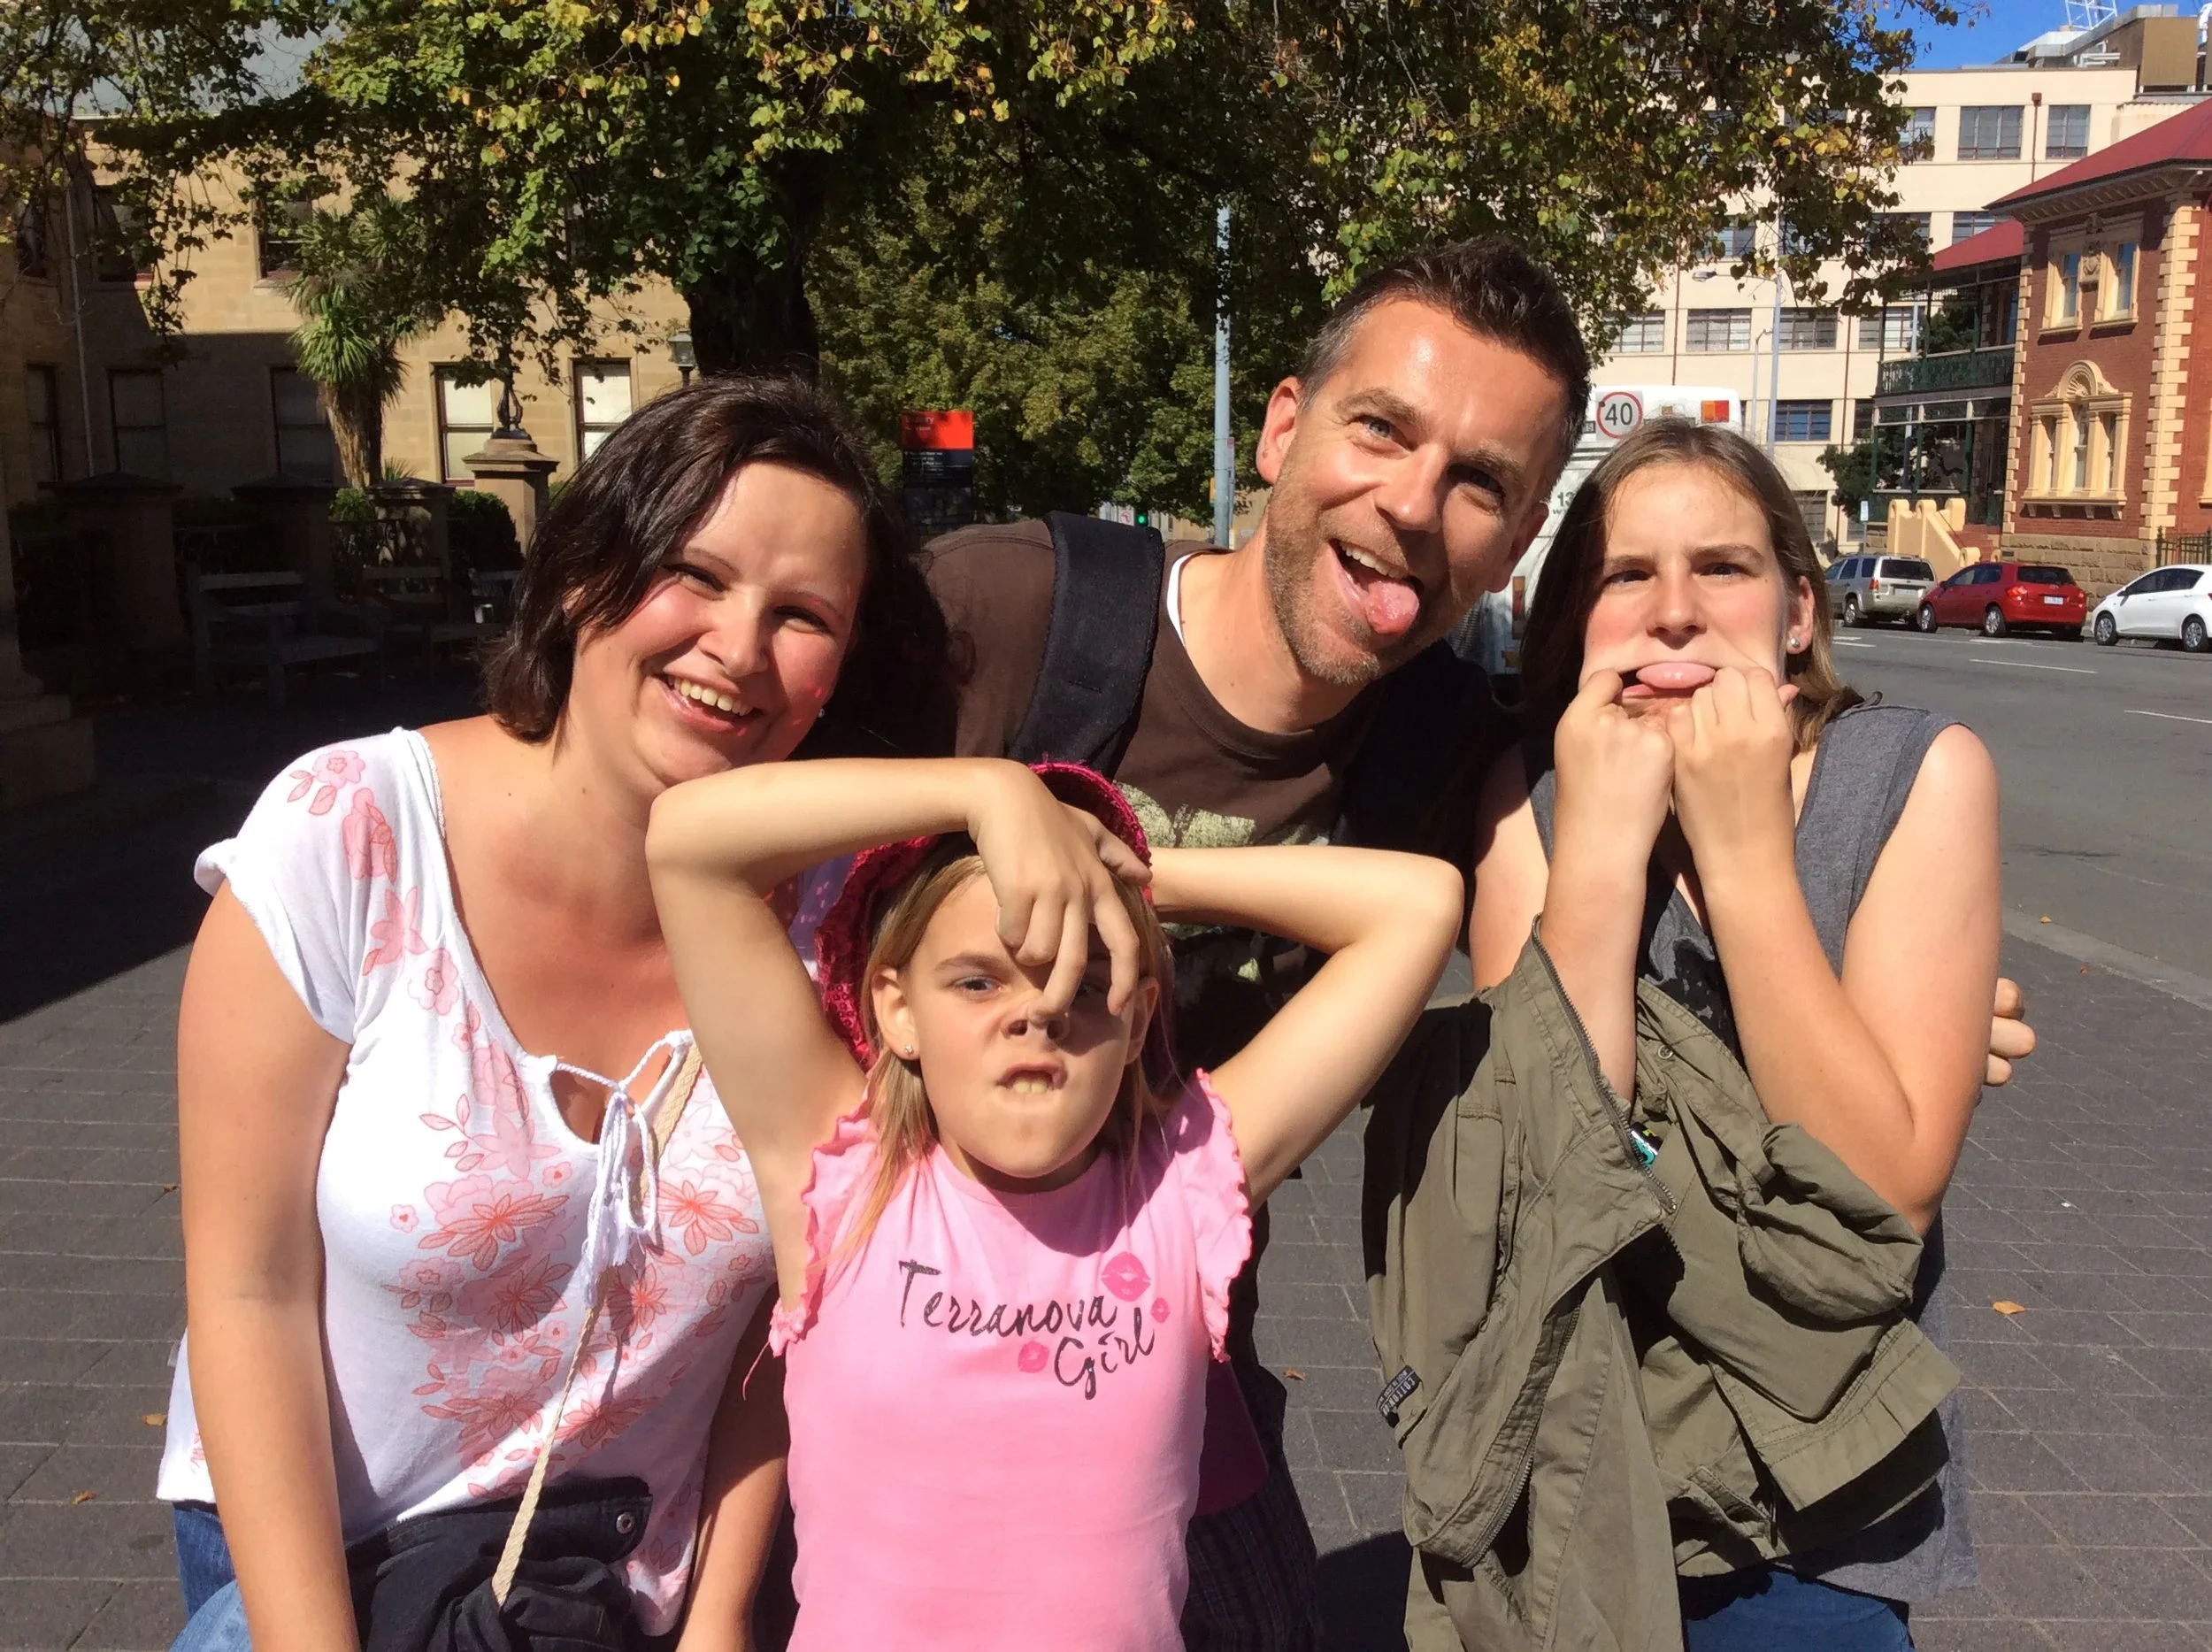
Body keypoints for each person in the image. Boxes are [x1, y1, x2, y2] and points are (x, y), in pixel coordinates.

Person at [922, 235, 2038, 1646]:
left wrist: (1899, 975)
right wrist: (973, 793)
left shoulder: (1455, 748)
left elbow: (1822, 1160)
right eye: (1380, 427)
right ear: (1280, 426)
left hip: (1190, 1387)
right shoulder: (1003, 613)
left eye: (1480, 485)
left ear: (1514, 551)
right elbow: (703, 841)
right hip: (889, 1347)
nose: (1409, 505)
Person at [160, 373, 948, 1651]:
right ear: (582, 574)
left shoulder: (840, 932)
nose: (739, 648)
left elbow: (788, 1312)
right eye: (693, 573)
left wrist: (724, 1615)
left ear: (837, 673)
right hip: (324, 1561)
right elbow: (246, 1290)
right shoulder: (348, 835)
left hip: (627, 1587)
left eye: (802, 615)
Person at [643, 754, 1462, 1647]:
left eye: (1083, 978)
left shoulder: (1177, 1190)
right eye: (978, 979)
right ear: (895, 1008)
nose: (1036, 1012)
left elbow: (1414, 905)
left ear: (1139, 1018)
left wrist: (1119, 871)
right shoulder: (846, 1180)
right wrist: (983, 792)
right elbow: (690, 844)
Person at [1468, 420, 1998, 1647]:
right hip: (1580, 1494)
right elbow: (1540, 1190)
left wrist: (1747, 850)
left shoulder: (1911, 775)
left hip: (1825, 1515)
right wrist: (1598, 851)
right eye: (1624, 574)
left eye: (1722, 566)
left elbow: (1880, 1190)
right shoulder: (1528, 803)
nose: (1673, 610)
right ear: (1574, 620)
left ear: (1798, 610)